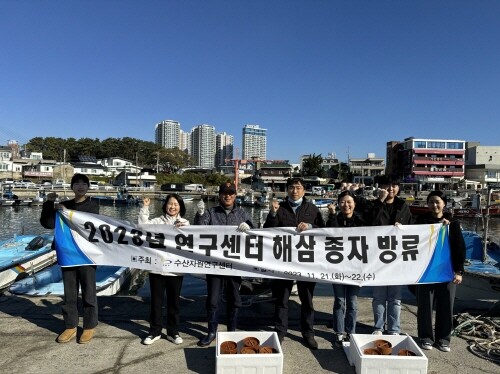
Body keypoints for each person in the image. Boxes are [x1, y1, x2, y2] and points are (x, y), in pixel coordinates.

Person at [263, 177, 325, 349]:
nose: (294, 191)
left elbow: (324, 230)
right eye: (291, 187)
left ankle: (308, 332)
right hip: (284, 261)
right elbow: (267, 231)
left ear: (304, 190)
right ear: (287, 190)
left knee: (307, 300)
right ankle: (280, 331)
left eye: (298, 188)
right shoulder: (280, 208)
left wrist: (311, 227)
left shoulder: (312, 208)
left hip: (307, 261)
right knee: (281, 299)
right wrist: (273, 214)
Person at [39, 174, 99, 344]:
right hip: (67, 253)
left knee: (89, 292)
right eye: (77, 183)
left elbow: (89, 224)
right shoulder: (63, 205)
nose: (80, 186)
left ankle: (89, 326)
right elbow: (49, 224)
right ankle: (70, 325)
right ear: (72, 187)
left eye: (83, 183)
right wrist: (49, 204)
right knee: (69, 293)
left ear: (88, 187)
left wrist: (65, 211)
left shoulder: (93, 206)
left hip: (87, 254)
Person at [194, 182, 255, 347]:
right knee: (213, 300)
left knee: (234, 299)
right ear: (219, 195)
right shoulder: (210, 212)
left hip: (235, 265)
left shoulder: (243, 213)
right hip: (214, 264)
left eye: (231, 193)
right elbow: (198, 230)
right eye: (224, 193)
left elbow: (256, 231)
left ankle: (231, 331)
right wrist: (199, 214)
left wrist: (248, 226)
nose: (227, 196)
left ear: (235, 195)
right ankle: (211, 331)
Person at [415, 190, 466, 352]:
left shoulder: (453, 223)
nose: (434, 205)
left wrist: (459, 271)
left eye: (437, 201)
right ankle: (426, 337)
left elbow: (460, 248)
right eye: (431, 202)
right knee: (425, 306)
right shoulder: (421, 222)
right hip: (426, 272)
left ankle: (444, 339)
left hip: (447, 272)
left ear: (444, 203)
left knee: (446, 306)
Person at [138, 195, 189, 346]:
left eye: (176, 204)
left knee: (174, 302)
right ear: (165, 205)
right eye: (170, 203)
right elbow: (142, 227)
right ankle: (154, 331)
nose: (172, 206)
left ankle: (173, 331)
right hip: (157, 268)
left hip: (176, 269)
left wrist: (184, 230)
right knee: (156, 301)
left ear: (180, 207)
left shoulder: (186, 223)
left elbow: (193, 240)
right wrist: (145, 208)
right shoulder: (157, 221)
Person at [370, 178, 413, 336]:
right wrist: (380, 202)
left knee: (395, 297)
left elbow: (412, 228)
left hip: (396, 259)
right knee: (379, 296)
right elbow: (369, 224)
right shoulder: (375, 205)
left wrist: (403, 230)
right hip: (378, 259)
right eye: (387, 186)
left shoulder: (403, 206)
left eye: (393, 185)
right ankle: (378, 327)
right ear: (381, 188)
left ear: (398, 188)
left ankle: (394, 328)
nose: (390, 188)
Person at [326, 190, 366, 347]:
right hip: (337, 269)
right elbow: (331, 234)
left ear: (354, 204)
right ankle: (339, 332)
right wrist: (332, 215)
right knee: (340, 301)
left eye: (349, 202)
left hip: (356, 269)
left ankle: (351, 332)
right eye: (342, 202)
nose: (346, 205)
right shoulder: (333, 219)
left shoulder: (361, 221)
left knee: (353, 302)